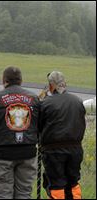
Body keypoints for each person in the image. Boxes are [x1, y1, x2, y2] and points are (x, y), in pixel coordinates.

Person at [0, 66, 40, 199]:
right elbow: (40, 125)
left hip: (1, 154)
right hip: (28, 152)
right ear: (21, 81)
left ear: (4, 80)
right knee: (24, 193)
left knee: (1, 194)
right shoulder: (34, 99)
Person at [39, 71, 86, 199]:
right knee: (73, 182)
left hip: (53, 151)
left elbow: (38, 126)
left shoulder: (46, 103)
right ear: (64, 84)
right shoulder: (77, 101)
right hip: (76, 149)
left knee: (56, 184)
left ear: (50, 86)